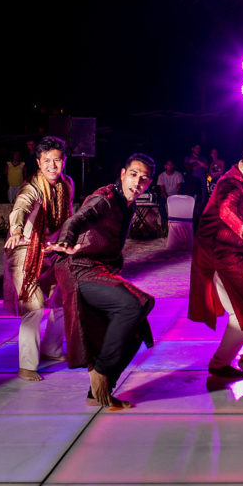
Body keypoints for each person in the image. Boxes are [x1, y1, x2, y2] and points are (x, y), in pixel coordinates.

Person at [49, 154, 157, 410]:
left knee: (137, 328)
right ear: (122, 174)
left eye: (143, 179)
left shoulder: (127, 204)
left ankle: (98, 391)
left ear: (149, 183)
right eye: (133, 175)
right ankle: (100, 371)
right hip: (78, 268)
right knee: (135, 304)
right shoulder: (106, 198)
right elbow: (77, 219)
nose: (137, 182)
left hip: (98, 270)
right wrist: (66, 239)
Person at [189, 137, 243, 386]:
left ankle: (219, 365)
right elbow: (227, 209)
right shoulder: (231, 183)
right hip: (220, 257)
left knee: (241, 317)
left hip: (241, 257)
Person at [4, 136, 74, 381]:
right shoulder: (31, 187)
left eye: (57, 160)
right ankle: (27, 365)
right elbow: (21, 207)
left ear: (64, 161)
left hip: (52, 249)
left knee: (61, 300)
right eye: (47, 161)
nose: (52, 166)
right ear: (38, 162)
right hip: (24, 250)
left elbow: (69, 216)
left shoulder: (68, 184)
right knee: (33, 307)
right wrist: (15, 230)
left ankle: (52, 350)